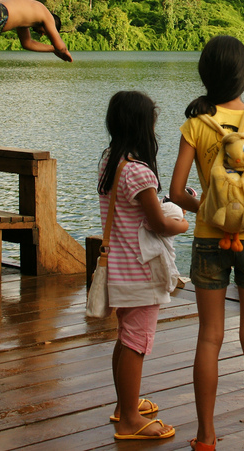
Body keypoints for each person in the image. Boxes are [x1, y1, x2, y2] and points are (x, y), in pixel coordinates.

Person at [168, 35, 244, 451]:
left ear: (206, 74)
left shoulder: (196, 124)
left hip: (207, 240)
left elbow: (176, 189)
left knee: (209, 337)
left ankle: (205, 437)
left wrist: (204, 208)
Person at [97, 91, 188, 441]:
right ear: (142, 127)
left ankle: (125, 406)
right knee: (137, 342)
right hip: (140, 269)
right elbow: (158, 224)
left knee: (125, 338)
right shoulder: (138, 172)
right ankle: (130, 421)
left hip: (120, 266)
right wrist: (181, 222)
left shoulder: (111, 160)